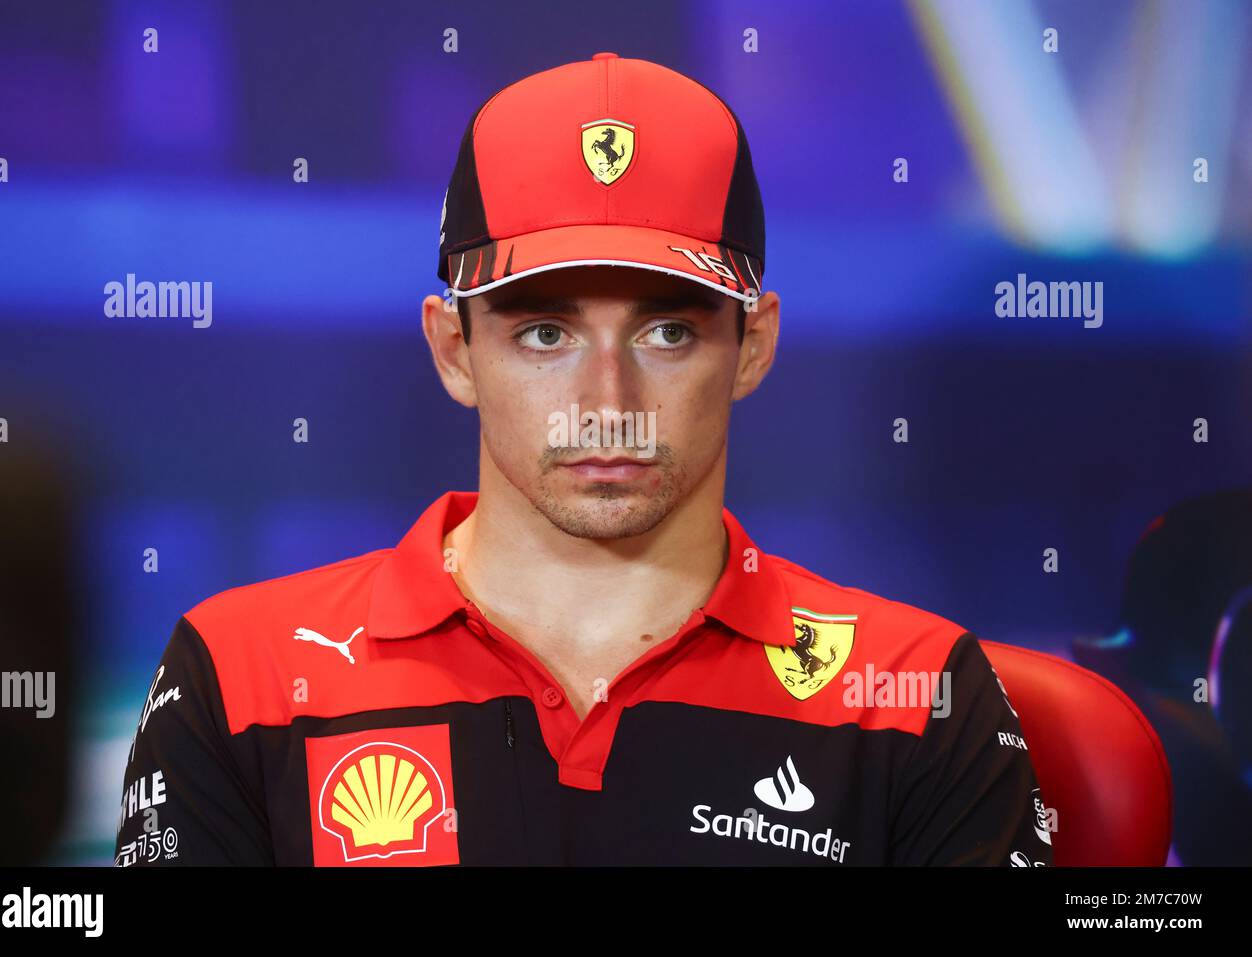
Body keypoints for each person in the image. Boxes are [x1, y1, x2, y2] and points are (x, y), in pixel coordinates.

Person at [114, 52, 1052, 866]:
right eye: (547, 333)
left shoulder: (915, 695)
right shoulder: (243, 678)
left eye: (670, 331)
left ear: (755, 345)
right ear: (453, 349)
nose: (608, 403)